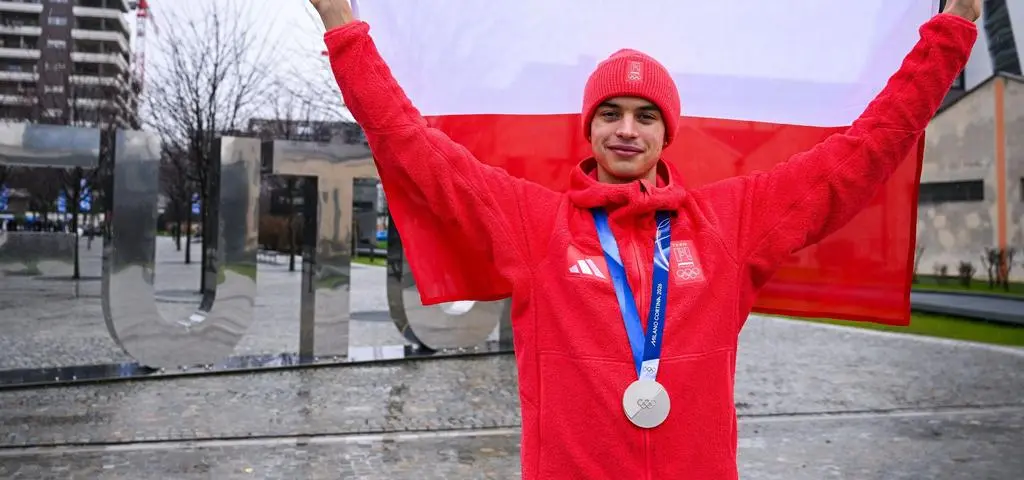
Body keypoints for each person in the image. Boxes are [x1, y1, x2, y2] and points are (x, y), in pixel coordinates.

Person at [309, 0, 981, 478]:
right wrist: (344, 26)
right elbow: (411, 147)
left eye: (645, 116)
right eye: (610, 113)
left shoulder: (730, 224)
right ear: (590, 129)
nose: (627, 129)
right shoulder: (534, 225)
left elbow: (864, 151)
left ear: (667, 133)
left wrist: (949, 35)